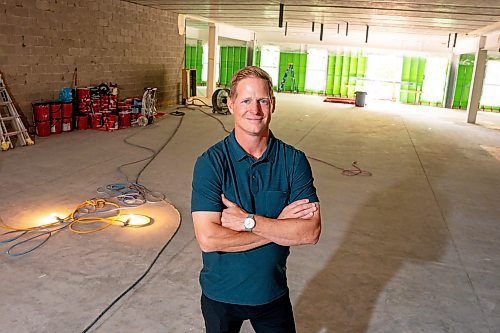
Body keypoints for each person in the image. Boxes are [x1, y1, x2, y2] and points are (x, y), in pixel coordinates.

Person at [191, 66, 321, 333]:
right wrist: (278, 226)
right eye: (246, 100)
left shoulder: (293, 161)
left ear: (272, 104)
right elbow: (208, 239)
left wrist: (248, 221)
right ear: (231, 104)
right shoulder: (211, 163)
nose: (255, 110)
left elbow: (310, 232)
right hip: (220, 296)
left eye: (262, 100)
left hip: (271, 294)